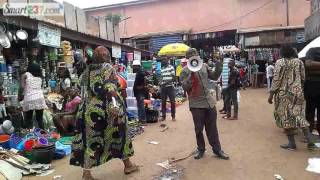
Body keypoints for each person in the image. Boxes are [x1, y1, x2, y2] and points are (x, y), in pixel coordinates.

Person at [70, 46, 138, 180]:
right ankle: (128, 165)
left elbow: (79, 88)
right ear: (105, 57)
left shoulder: (87, 71)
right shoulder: (107, 67)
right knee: (121, 135)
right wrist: (114, 104)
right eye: (107, 55)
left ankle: (87, 174)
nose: (108, 58)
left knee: (92, 141)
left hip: (88, 112)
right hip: (107, 110)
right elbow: (110, 88)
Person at [180, 48, 229, 160]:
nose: (194, 57)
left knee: (212, 128)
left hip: (209, 102)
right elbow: (185, 87)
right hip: (196, 104)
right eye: (191, 55)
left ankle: (217, 150)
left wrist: (219, 65)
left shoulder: (204, 66)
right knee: (198, 129)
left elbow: (214, 76)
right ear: (187, 58)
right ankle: (201, 149)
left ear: (198, 56)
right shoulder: (184, 71)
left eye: (195, 55)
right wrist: (190, 76)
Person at [268, 46, 315, 151]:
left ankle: (291, 144)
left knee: (286, 118)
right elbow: (303, 78)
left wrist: (271, 95)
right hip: (297, 93)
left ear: (282, 53)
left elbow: (276, 80)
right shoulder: (299, 62)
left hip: (283, 94)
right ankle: (310, 141)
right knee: (299, 116)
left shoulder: (280, 62)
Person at [21, 63, 48, 129]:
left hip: (29, 98)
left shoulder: (26, 75)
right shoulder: (40, 77)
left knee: (28, 118)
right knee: (39, 119)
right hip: (39, 98)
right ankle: (43, 133)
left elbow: (22, 86)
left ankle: (28, 134)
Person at [304, 47, 320, 138]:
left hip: (312, 84)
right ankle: (308, 135)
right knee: (310, 111)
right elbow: (308, 64)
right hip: (312, 86)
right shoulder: (313, 50)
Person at [160, 57, 176, 121]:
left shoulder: (171, 67)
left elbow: (173, 78)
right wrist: (161, 83)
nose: (163, 61)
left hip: (170, 87)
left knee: (172, 102)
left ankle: (173, 116)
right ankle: (163, 116)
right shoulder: (162, 69)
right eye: (162, 60)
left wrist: (165, 83)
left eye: (164, 60)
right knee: (163, 102)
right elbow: (161, 78)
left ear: (167, 61)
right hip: (163, 88)